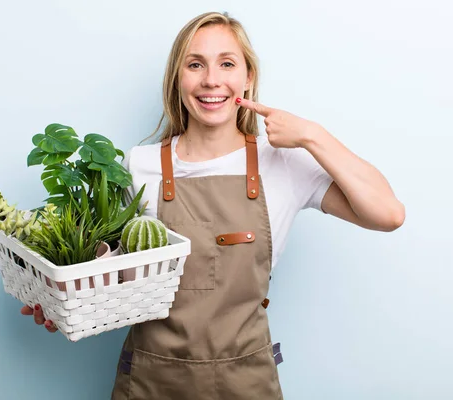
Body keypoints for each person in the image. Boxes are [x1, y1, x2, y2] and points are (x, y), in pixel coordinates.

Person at [21, 11, 405, 399]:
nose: (211, 80)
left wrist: (312, 135)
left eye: (227, 63)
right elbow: (111, 272)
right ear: (178, 78)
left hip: (247, 383)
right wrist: (63, 304)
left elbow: (388, 214)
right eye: (195, 64)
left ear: (247, 77)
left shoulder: (282, 163)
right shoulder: (139, 166)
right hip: (151, 383)